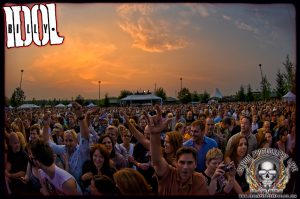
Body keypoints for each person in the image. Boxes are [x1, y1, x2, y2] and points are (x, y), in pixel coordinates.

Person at [147, 105, 208, 195]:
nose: (185, 167)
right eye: (182, 162)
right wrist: (155, 134)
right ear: (176, 163)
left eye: (190, 163)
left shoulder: (199, 180)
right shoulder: (168, 174)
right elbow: (157, 161)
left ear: (196, 164)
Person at [42, 102, 91, 183]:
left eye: (71, 140)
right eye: (66, 140)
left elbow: (85, 137)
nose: (68, 143)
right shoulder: (64, 149)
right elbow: (48, 143)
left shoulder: (81, 150)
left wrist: (80, 117)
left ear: (76, 141)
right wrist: (46, 126)